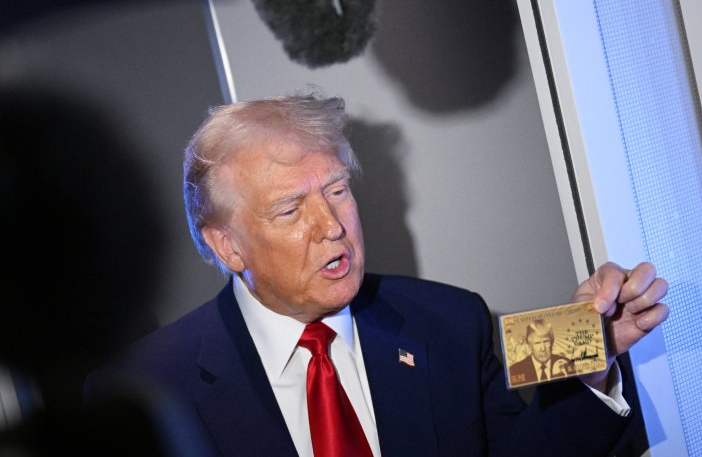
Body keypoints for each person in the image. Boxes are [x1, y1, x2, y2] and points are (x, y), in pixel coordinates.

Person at [89, 93, 669, 456]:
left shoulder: (449, 321)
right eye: (291, 209)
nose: (332, 225)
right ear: (227, 245)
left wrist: (590, 359)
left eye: (337, 191)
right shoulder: (148, 386)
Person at [509, 319, 575, 386]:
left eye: (546, 341)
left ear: (552, 342)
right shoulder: (515, 370)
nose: (543, 348)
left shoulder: (567, 364)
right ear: (529, 345)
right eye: (537, 343)